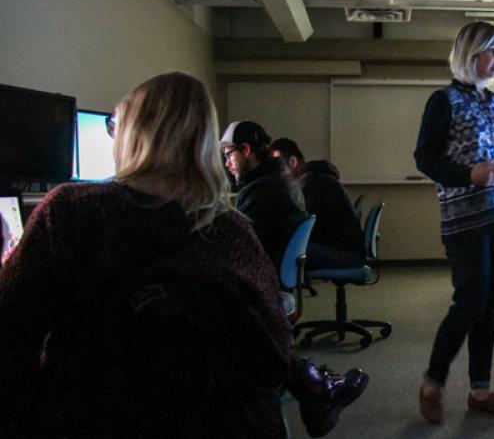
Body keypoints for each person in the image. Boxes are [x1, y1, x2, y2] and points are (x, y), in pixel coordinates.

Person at [0, 73, 366, 438]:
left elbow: (11, 327)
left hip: (85, 416)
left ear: (131, 134)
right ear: (204, 144)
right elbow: (273, 355)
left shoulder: (65, 213)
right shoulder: (230, 230)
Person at [413, 21, 494, 424]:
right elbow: (424, 158)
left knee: (491, 305)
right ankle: (433, 382)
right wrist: (469, 175)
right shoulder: (443, 101)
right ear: (470, 53)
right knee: (470, 301)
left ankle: (480, 390)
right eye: (492, 50)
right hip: (465, 216)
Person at [220, 120, 308, 272]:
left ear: (246, 150)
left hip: (262, 276)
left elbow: (241, 247)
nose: (227, 164)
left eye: (228, 155)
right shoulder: (281, 179)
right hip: (274, 270)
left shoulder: (262, 192)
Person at [271, 137, 365, 269]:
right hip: (344, 249)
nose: (278, 173)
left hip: (345, 254)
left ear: (292, 162)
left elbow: (306, 226)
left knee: (283, 250)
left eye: (279, 167)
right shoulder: (315, 176)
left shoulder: (312, 181)